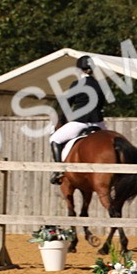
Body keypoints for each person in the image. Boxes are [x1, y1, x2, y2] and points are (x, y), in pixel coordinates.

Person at [49, 56, 107, 185]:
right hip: (98, 122)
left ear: (79, 69)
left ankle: (59, 171)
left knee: (54, 139)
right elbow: (102, 103)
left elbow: (66, 105)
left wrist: (61, 120)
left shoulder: (77, 84)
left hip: (80, 122)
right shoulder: (100, 85)